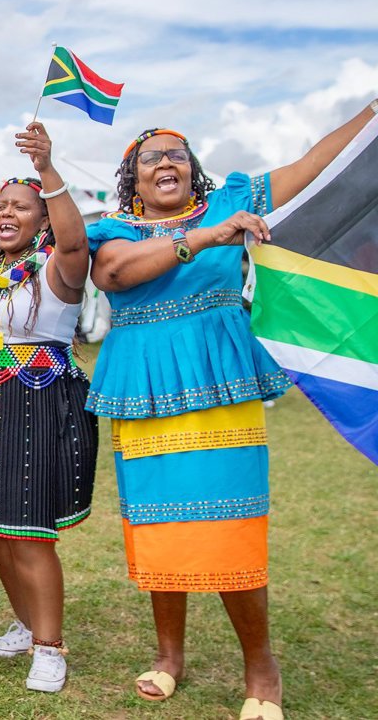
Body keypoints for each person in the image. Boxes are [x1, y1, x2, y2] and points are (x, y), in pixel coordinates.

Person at [87, 99, 378, 720]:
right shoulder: (112, 230)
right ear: (131, 177)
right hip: (144, 388)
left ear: (194, 169)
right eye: (150, 158)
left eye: (177, 154)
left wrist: (371, 113)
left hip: (219, 383)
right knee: (161, 524)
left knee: (230, 523)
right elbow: (114, 276)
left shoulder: (234, 200)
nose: (167, 162)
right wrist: (201, 238)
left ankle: (260, 665)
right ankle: (169, 656)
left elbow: (315, 163)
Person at [0, 123, 97, 694]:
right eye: (2, 206)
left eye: (21, 206)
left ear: (43, 218)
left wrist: (47, 169)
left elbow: (76, 244)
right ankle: (24, 624)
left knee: (30, 530)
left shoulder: (55, 272)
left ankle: (49, 646)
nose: (7, 213)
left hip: (39, 405)